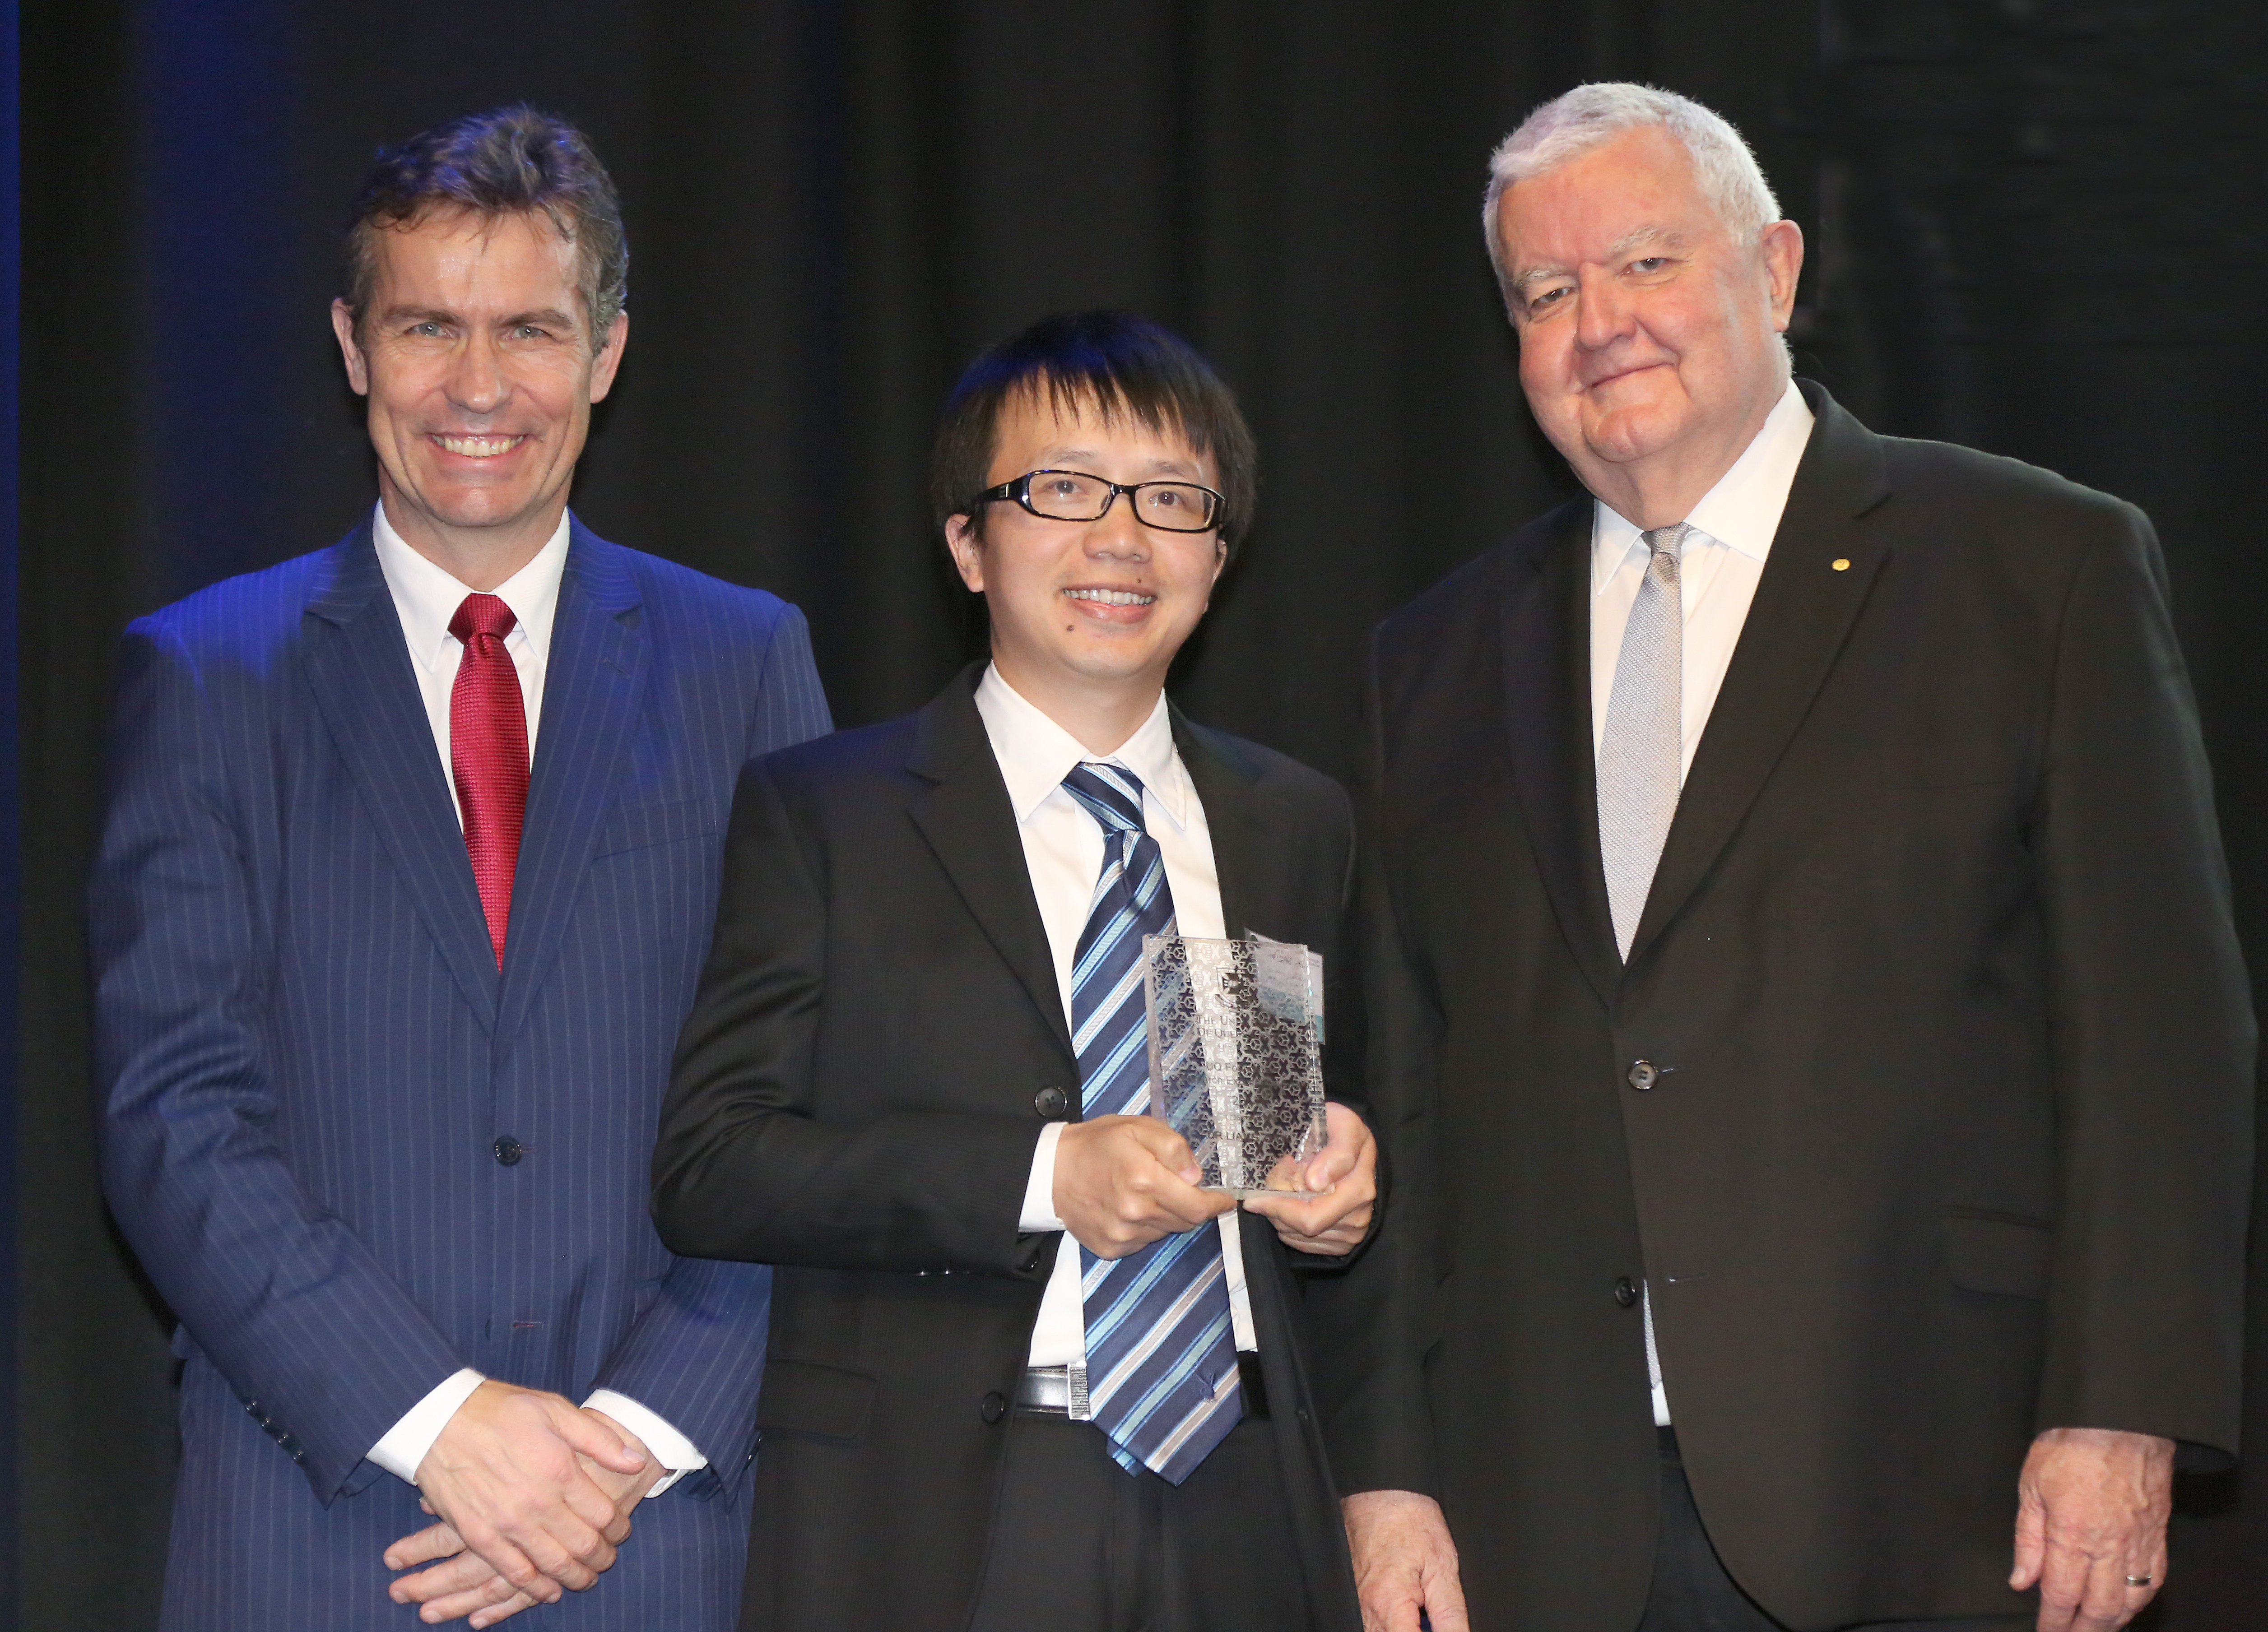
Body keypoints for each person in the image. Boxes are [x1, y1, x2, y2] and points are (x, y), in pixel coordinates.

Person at [1318, 83, 2254, 1632]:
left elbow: (2161, 1036)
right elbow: (1398, 1084)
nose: (1598, 322)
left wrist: (2120, 1409)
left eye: (1644, 263)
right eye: (1545, 295)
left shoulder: (2037, 566)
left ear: (1776, 271)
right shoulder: (1431, 659)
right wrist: (1388, 1472)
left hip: (1942, 1493)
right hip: (1539, 1518)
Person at [91, 106, 830, 1631]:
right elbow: (175, 1113)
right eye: (429, 326)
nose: (479, 387)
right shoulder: (206, 672)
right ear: (354, 345)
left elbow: (812, 1096)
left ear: (608, 351)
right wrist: (441, 1421)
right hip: (315, 1536)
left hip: (658, 1539)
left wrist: (620, 1446)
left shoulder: (747, 661)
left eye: (531, 331)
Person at [652, 310, 1375, 1632]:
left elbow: (1269, 1129)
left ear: (1218, 556)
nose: (1119, 538)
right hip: (950, 1510)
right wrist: (1048, 1179)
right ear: (968, 544)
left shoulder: (1292, 822)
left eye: (1171, 499)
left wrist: (1328, 1196)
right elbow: (713, 1165)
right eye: (1062, 491)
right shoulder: (829, 812)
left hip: (1247, 1495)